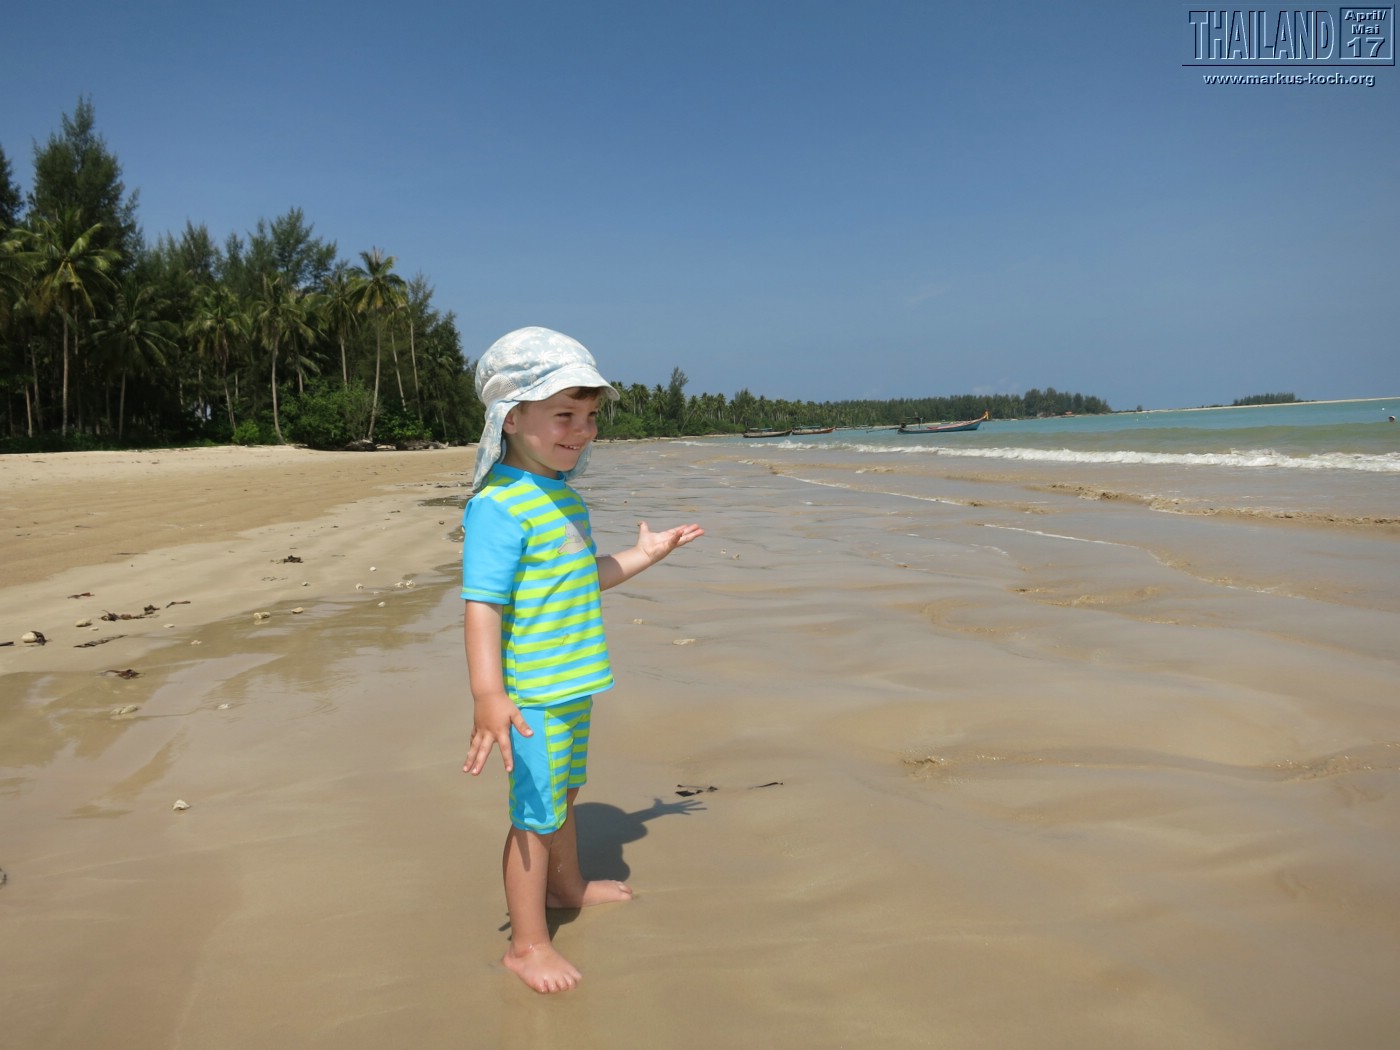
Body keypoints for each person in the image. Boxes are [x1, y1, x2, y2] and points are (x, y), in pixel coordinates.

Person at [460, 326, 703, 994]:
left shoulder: (562, 496)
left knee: (563, 797)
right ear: (512, 418)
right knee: (534, 817)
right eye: (564, 415)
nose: (582, 430)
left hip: (573, 685)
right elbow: (482, 606)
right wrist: (488, 695)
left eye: (590, 416)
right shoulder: (497, 506)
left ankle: (565, 889)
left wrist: (644, 555)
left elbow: (582, 577)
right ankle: (527, 945)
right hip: (532, 694)